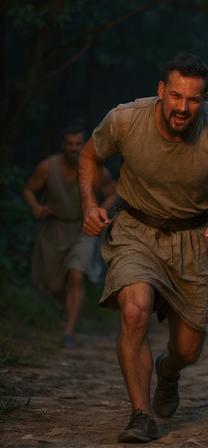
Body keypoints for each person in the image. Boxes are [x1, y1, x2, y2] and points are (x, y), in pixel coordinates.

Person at [78, 53, 208, 443]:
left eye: (193, 100)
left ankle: (169, 370)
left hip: (195, 240)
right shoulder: (126, 119)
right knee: (135, 311)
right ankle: (141, 415)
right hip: (135, 231)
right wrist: (90, 205)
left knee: (188, 350)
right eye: (176, 96)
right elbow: (90, 156)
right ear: (161, 90)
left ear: (204, 99)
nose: (182, 107)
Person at [22, 125, 116, 348]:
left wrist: (100, 209)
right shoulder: (48, 167)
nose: (74, 148)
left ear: (84, 145)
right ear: (63, 145)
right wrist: (36, 207)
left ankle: (69, 331)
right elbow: (28, 189)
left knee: (76, 275)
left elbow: (113, 192)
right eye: (70, 144)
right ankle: (72, 307)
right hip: (55, 227)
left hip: (84, 229)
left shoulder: (97, 170)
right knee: (53, 285)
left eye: (78, 144)